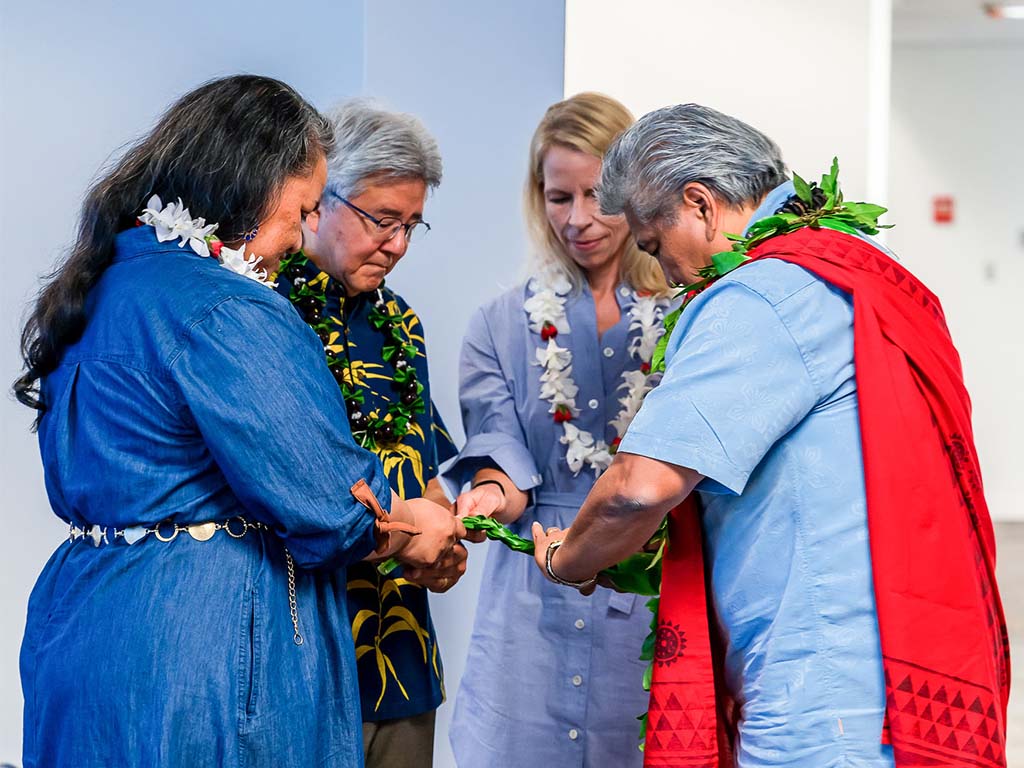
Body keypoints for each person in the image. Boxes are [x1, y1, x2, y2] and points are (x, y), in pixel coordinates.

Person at [531, 104, 1011, 768]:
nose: (665, 274)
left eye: (652, 245)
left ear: (699, 205)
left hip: (820, 696)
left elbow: (638, 490)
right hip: (888, 671)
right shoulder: (861, 262)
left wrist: (568, 559)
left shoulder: (762, 296)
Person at [13, 75, 462, 768]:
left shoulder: (107, 283)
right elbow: (331, 504)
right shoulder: (229, 308)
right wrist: (416, 524)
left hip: (84, 624)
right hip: (200, 641)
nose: (302, 233)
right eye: (305, 208)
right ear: (252, 184)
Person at [442, 92, 671, 767]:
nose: (579, 220)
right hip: (531, 602)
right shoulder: (497, 325)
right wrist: (487, 495)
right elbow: (502, 462)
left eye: (597, 195)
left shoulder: (688, 313)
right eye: (557, 197)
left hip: (648, 587)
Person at [277, 100, 461, 768]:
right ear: (317, 197)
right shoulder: (263, 315)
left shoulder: (401, 324)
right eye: (382, 220)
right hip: (303, 663)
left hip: (405, 661)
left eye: (412, 225)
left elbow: (429, 468)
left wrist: (442, 542)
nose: (397, 245)